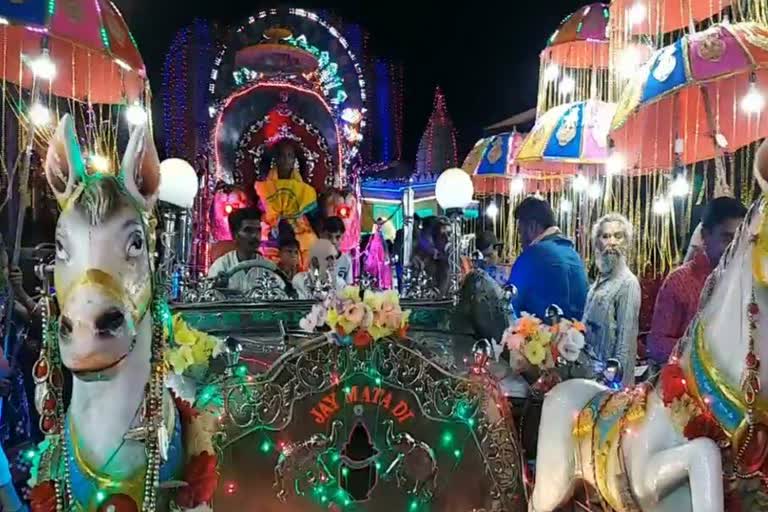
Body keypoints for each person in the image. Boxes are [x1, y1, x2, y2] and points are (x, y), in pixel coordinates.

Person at [647, 197, 747, 364]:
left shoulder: (744, 280)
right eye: (727, 238)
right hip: (689, 385)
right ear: (705, 236)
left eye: (741, 239)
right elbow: (657, 344)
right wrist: (706, 353)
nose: (736, 247)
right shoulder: (679, 281)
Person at [582, 214, 641, 386]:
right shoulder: (598, 282)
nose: (612, 242)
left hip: (610, 385)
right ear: (597, 243)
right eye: (605, 236)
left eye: (618, 236)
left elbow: (625, 341)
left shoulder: (628, 283)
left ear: (626, 242)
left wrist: (612, 382)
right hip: (590, 377)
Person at [507, 197, 588, 320]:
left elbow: (510, 306)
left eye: (520, 232)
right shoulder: (574, 255)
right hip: (578, 336)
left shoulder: (531, 257)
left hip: (542, 337)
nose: (520, 240)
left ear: (532, 227)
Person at [254, 140, 319, 264]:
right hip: (271, 223)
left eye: (289, 156)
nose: (285, 160)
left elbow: (312, 211)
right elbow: (261, 206)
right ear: (276, 159)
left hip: (297, 224)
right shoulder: (265, 185)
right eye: (282, 156)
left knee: (310, 245)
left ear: (294, 160)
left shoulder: (304, 188)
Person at [208, 207, 278, 292]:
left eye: (258, 230)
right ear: (235, 235)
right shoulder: (221, 266)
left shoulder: (268, 268)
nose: (255, 236)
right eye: (248, 230)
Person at [323, 216, 353, 284]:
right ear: (323, 236)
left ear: (343, 237)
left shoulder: (346, 260)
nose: (333, 241)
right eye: (329, 236)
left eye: (337, 237)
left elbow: (348, 286)